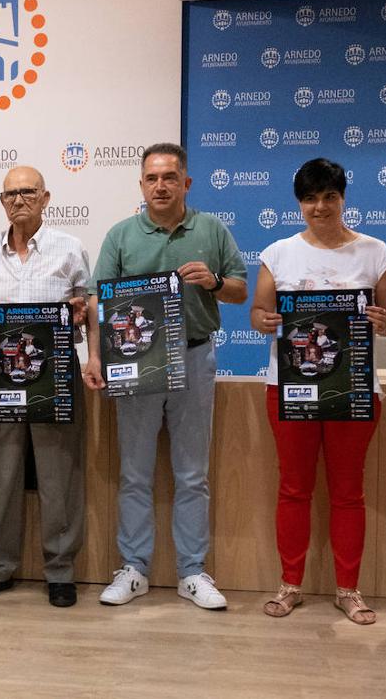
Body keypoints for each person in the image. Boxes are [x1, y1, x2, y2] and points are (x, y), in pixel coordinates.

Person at [83, 143, 247, 608]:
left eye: (170, 177)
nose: (160, 186)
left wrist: (214, 281)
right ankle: (134, 568)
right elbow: (97, 300)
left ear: (186, 183)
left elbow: (240, 290)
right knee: (134, 472)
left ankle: (192, 572)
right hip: (136, 363)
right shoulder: (120, 235)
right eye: (152, 178)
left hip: (194, 356)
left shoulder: (211, 229)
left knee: (192, 474)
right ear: (141, 184)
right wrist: (95, 356)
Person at [249, 157, 386, 624]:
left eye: (329, 196)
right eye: (310, 198)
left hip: (352, 386)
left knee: (349, 492)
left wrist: (383, 320)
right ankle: (290, 584)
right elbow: (257, 314)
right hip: (289, 386)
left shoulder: (376, 252)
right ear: (299, 203)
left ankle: (348, 589)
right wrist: (265, 321)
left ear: (343, 198)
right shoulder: (278, 253)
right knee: (293, 488)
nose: (320, 207)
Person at [0, 166, 91, 608]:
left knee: (59, 474)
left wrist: (80, 311)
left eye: (28, 192)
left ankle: (60, 571)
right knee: (1, 472)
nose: (18, 200)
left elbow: (86, 305)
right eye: (10, 194)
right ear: (2, 202)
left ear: (45, 198)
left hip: (55, 371)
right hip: (3, 371)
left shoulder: (70, 247)